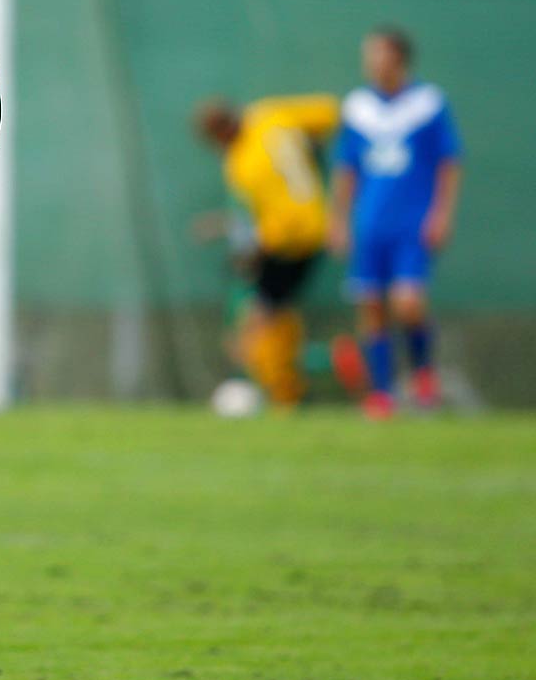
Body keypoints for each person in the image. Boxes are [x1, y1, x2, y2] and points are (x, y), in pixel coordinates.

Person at [329, 27, 462, 420]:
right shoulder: (358, 108)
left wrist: (441, 214)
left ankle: (423, 371)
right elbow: (346, 169)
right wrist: (338, 220)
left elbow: (449, 162)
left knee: (407, 303)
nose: (371, 62)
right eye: (367, 54)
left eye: (378, 54)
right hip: (369, 223)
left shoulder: (428, 103)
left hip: (411, 224)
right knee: (370, 306)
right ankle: (382, 394)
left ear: (399, 58)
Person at [193, 94, 340, 409]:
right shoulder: (270, 114)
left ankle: (283, 392)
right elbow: (328, 113)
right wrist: (311, 149)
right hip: (315, 225)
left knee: (255, 322)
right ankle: (285, 388)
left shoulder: (240, 163)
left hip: (291, 238)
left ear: (218, 135)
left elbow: (271, 221)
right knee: (275, 312)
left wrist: (252, 249)